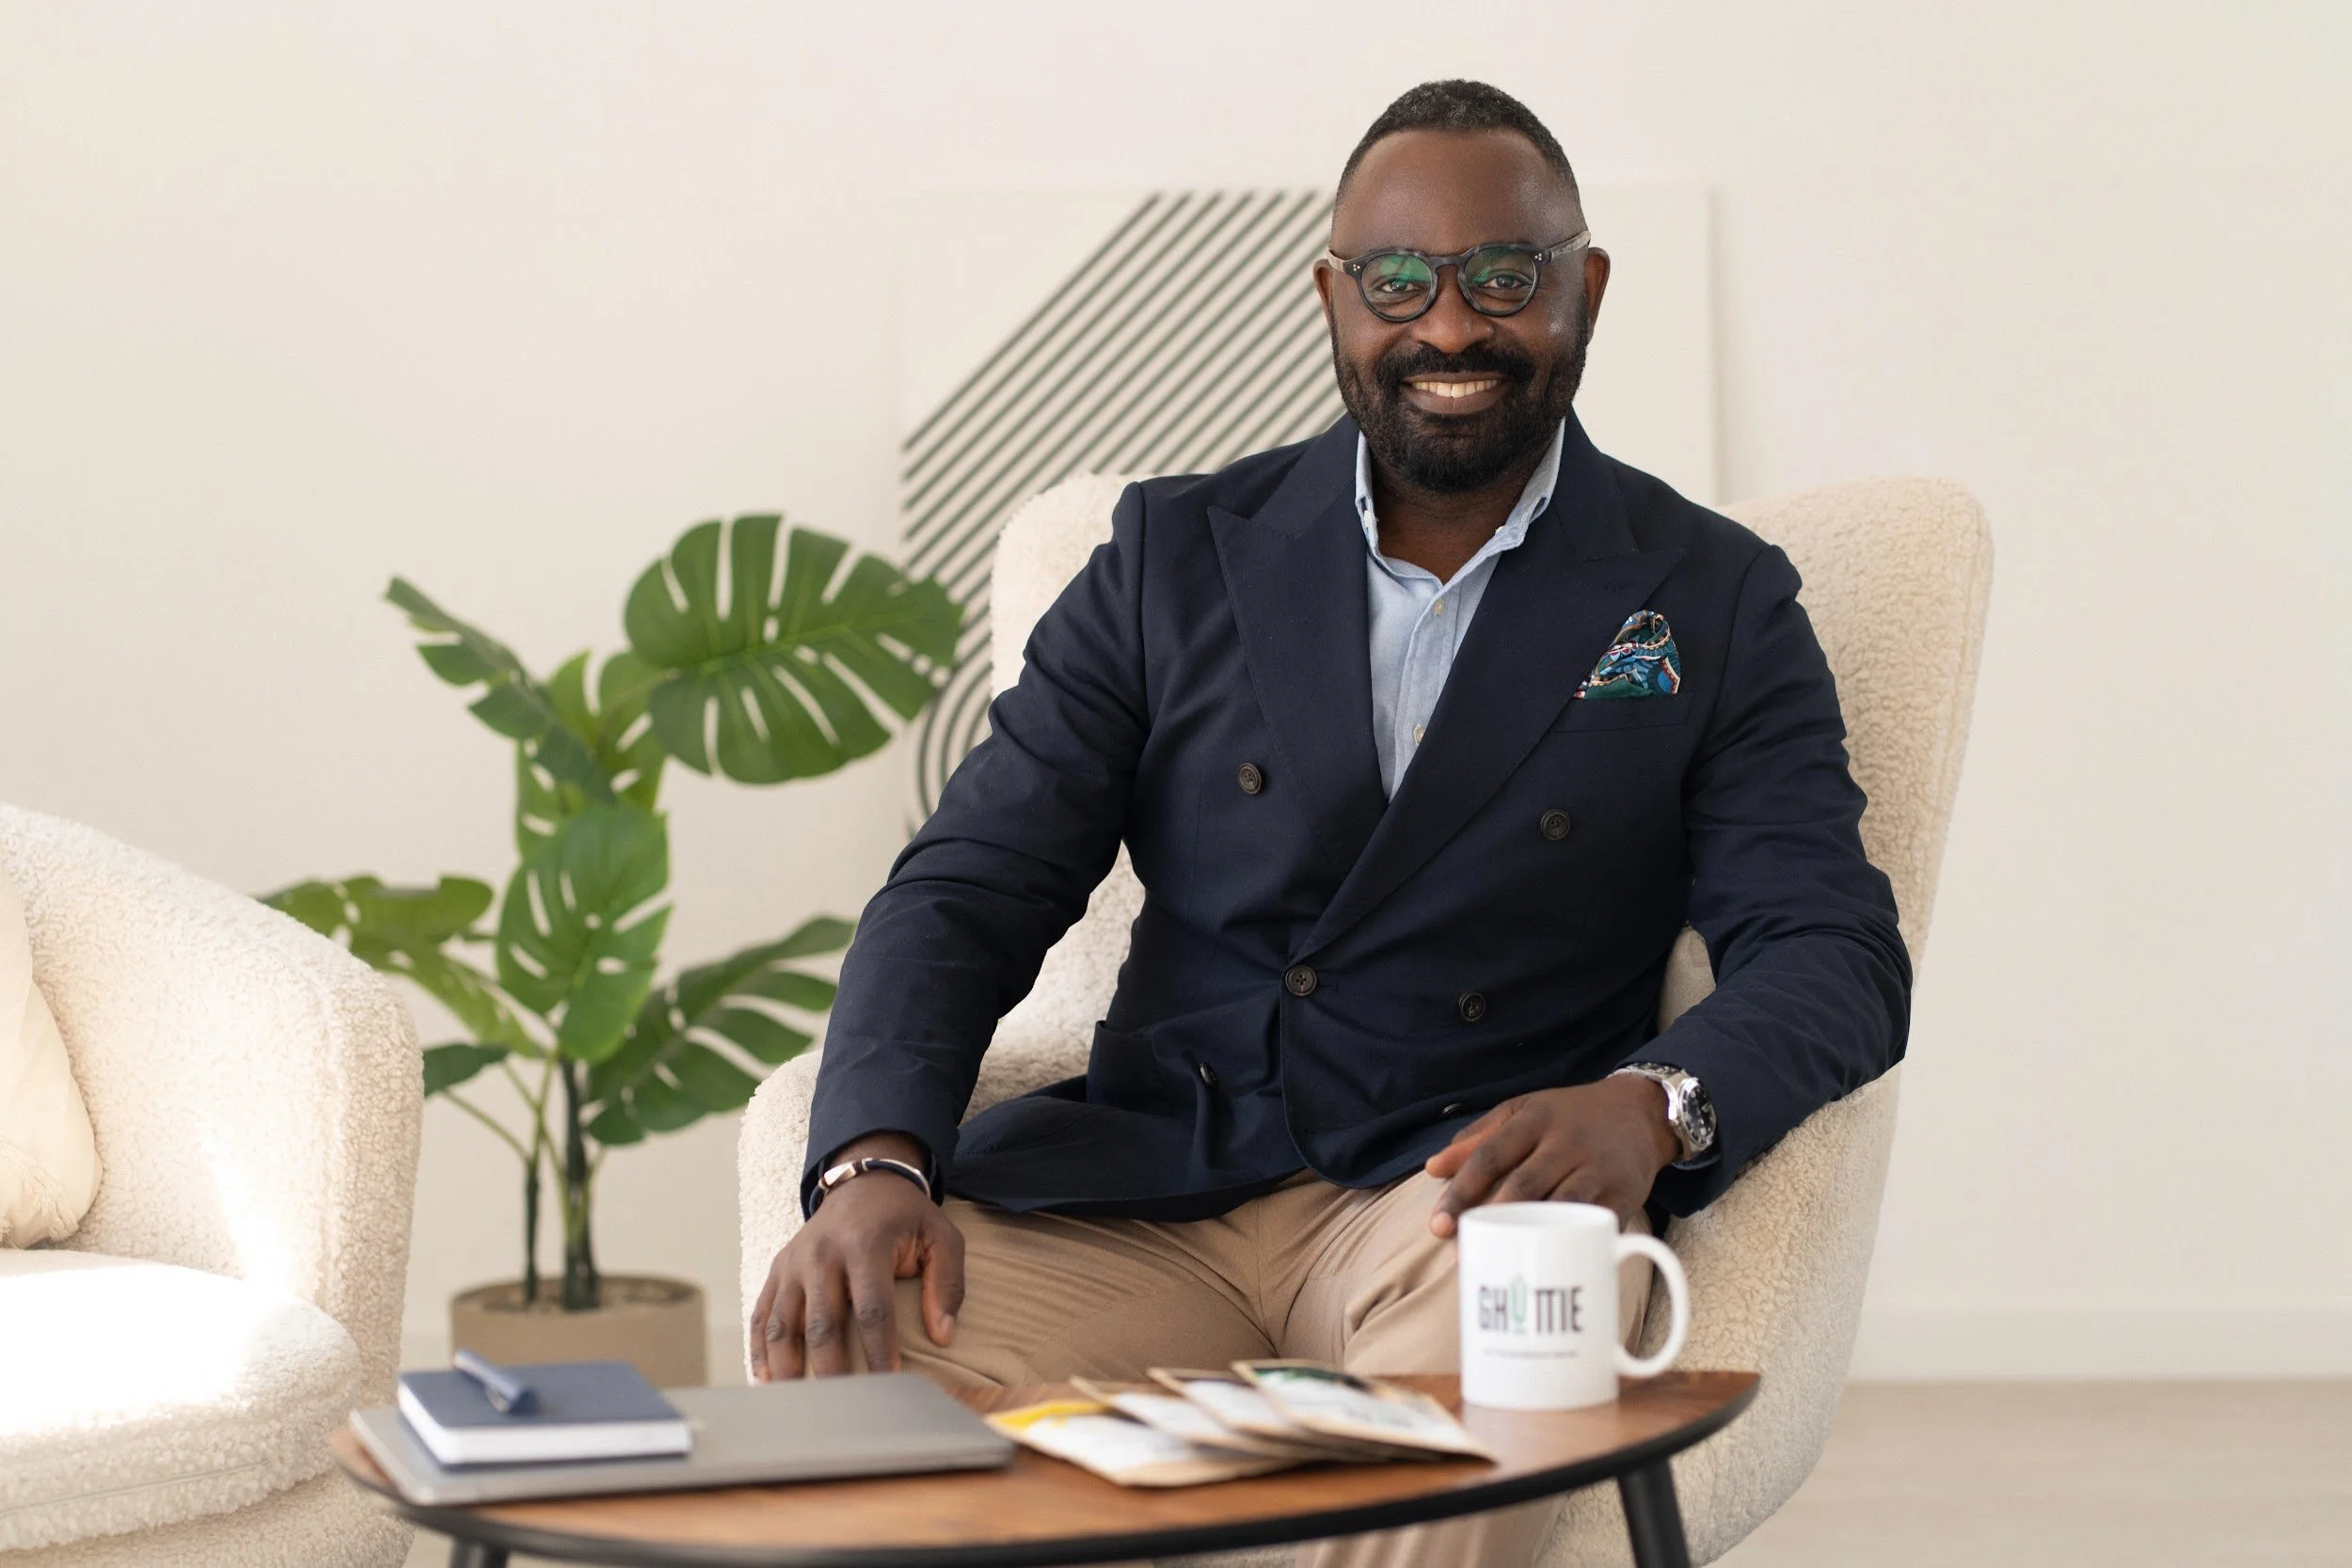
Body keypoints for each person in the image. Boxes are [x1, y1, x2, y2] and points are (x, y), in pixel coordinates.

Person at [752, 79, 1910, 1568]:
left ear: (1585, 287)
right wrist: (871, 1166)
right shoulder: (1173, 555)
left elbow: (1830, 946)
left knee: (1474, 1420)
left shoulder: (1711, 596)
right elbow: (967, 885)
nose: (1447, 329)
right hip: (1156, 1186)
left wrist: (1653, 1103)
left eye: (1503, 276)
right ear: (1332, 298)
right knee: (844, 1366)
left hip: (1452, 1198)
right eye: (1399, 282)